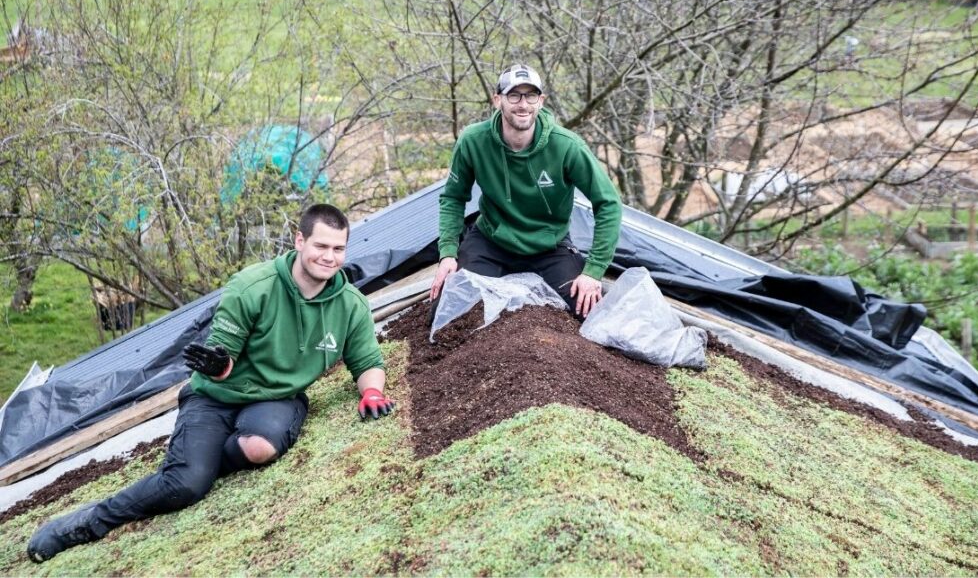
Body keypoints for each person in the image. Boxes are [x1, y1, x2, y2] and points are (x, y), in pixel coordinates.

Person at [28, 204, 395, 563]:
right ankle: (86, 523)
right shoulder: (253, 287)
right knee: (185, 486)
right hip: (215, 395)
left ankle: (193, 462)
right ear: (300, 241)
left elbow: (367, 362)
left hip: (277, 397)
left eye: (338, 248)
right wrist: (219, 365)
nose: (329, 257)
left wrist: (372, 391)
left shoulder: (350, 305)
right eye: (321, 246)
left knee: (260, 449)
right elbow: (224, 356)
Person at [430, 63, 622, 319]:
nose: (523, 104)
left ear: (541, 101)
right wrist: (447, 254)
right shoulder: (473, 140)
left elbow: (608, 203)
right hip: (491, 241)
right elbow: (453, 198)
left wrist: (593, 271)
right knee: (448, 311)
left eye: (531, 95)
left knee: (589, 312)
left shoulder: (567, 146)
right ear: (497, 100)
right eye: (514, 95)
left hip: (549, 246)